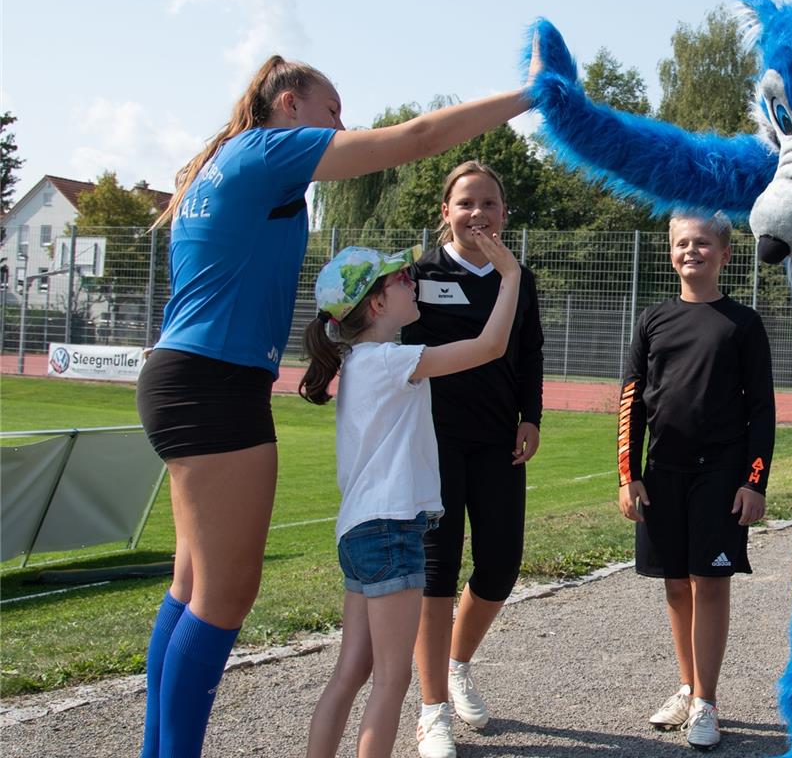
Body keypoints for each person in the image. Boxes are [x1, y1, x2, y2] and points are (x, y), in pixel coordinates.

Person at [134, 48, 539, 758]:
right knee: (224, 597)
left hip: (185, 375)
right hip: (214, 383)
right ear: (289, 105)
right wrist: (528, 97)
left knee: (192, 586)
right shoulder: (264, 150)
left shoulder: (219, 162)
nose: (341, 128)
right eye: (332, 112)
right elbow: (416, 139)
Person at [299, 234, 521, 758]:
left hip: (358, 532)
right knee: (392, 681)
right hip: (392, 531)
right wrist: (509, 277)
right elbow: (489, 347)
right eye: (400, 279)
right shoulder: (390, 360)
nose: (411, 281)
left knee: (352, 670)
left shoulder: (361, 362)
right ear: (377, 303)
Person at [401, 161, 544, 758]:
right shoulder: (416, 275)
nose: (478, 214)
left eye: (489, 203)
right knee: (435, 576)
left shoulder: (519, 278)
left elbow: (528, 352)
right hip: (432, 445)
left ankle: (457, 664)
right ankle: (432, 711)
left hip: (496, 443)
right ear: (445, 212)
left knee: (500, 566)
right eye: (466, 203)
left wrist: (530, 416)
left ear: (504, 213)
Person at [617, 213, 776, 750]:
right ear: (670, 252)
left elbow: (762, 412)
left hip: (722, 474)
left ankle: (707, 701)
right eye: (682, 243)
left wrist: (754, 482)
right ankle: (687, 686)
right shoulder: (652, 321)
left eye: (703, 243)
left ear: (725, 255)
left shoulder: (743, 325)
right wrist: (628, 475)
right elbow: (630, 402)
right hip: (663, 474)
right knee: (675, 584)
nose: (692, 251)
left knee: (709, 584)